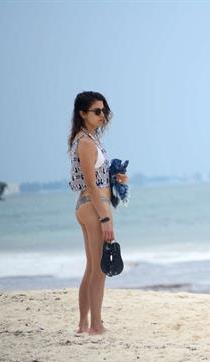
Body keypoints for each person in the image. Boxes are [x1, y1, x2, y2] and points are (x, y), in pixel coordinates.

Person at [68, 91, 129, 334]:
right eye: (96, 111)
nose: (102, 115)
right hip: (94, 206)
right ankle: (96, 325)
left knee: (92, 267)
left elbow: (97, 179)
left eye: (104, 110)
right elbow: (91, 185)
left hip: (90, 204)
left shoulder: (89, 139)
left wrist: (115, 178)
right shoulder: (85, 142)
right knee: (100, 269)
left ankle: (84, 324)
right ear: (82, 113)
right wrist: (105, 217)